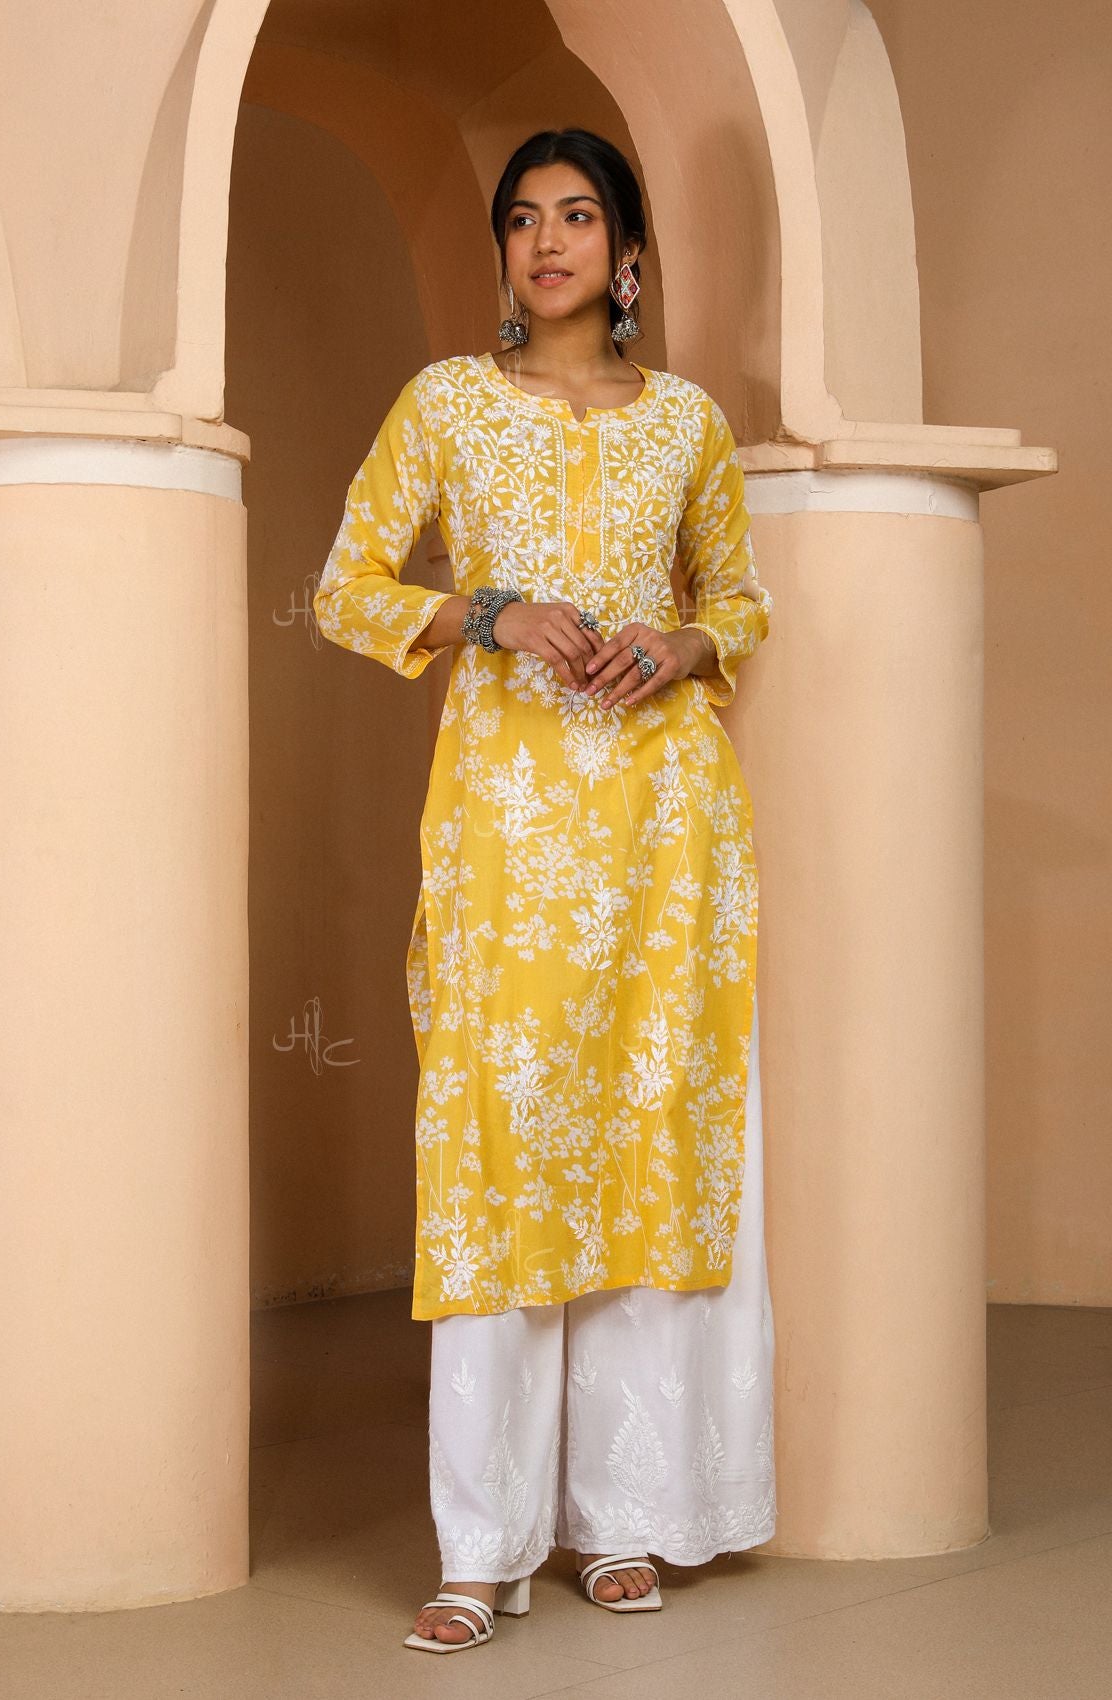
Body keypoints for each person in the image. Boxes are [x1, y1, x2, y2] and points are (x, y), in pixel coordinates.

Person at [312, 126, 776, 1654]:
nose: (550, 241)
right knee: (504, 1157)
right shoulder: (447, 403)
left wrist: (687, 644)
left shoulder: (690, 424)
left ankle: (625, 1519)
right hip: (509, 840)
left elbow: (741, 598)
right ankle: (482, 1548)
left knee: (643, 1140)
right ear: (506, 253)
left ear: (628, 256)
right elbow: (347, 588)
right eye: (525, 219)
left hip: (663, 833)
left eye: (580, 217)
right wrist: (488, 613)